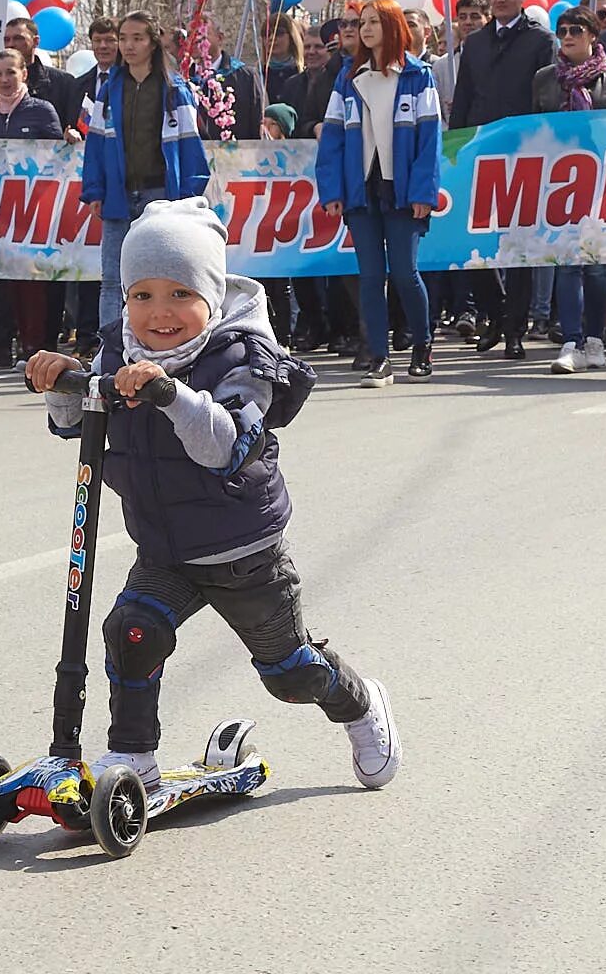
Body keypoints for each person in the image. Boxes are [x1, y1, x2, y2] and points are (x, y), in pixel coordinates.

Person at [22, 197, 398, 794]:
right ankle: (133, 762)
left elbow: (222, 446)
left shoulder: (245, 358)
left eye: (180, 295)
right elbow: (79, 425)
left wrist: (170, 394)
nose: (159, 313)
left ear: (212, 297)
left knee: (288, 673)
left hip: (242, 553)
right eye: (141, 295)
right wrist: (59, 382)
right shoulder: (119, 349)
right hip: (166, 548)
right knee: (132, 631)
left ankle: (361, 704)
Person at [315, 0, 442, 387]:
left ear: (392, 27)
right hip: (361, 191)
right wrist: (332, 189)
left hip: (403, 192)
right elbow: (332, 139)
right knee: (370, 277)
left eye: (373, 22)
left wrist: (424, 192)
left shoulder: (419, 76)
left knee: (405, 273)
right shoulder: (347, 78)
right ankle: (379, 357)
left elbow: (429, 140)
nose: (365, 29)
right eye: (361, 22)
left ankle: (422, 347)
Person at [78, 10, 212, 338]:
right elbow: (94, 144)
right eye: (124, 38)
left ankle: (162, 342)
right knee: (112, 279)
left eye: (137, 38)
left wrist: (190, 195)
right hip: (118, 197)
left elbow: (190, 146)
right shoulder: (109, 89)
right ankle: (110, 348)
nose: (128, 45)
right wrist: (94, 191)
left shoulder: (174, 89)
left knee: (161, 278)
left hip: (160, 197)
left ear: (153, 43)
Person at [448, 0, 557, 359]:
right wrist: (454, 146)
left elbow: (549, 99)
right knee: (477, 244)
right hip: (479, 154)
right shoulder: (474, 43)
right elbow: (462, 99)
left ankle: (514, 328)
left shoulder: (541, 41)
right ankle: (495, 314)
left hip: (526, 155)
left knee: (521, 248)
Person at [531, 11, 606, 375]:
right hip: (559, 183)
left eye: (576, 30)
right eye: (562, 31)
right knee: (567, 263)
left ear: (594, 35)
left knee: (596, 269)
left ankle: (595, 339)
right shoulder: (545, 80)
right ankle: (571, 341)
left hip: (603, 182)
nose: (568, 36)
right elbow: (532, 132)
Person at [0, 47, 70, 364]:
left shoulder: (42, 110)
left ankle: (34, 348)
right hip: (1, 210)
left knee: (32, 281)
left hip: (35, 208)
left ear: (24, 73)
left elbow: (60, 159)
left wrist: (69, 140)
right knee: (4, 279)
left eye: (11, 72)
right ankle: (2, 345)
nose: (5, 80)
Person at [4, 14, 87, 133]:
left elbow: (73, 128)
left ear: (35, 41)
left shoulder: (63, 83)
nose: (10, 44)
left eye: (18, 38)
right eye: (6, 39)